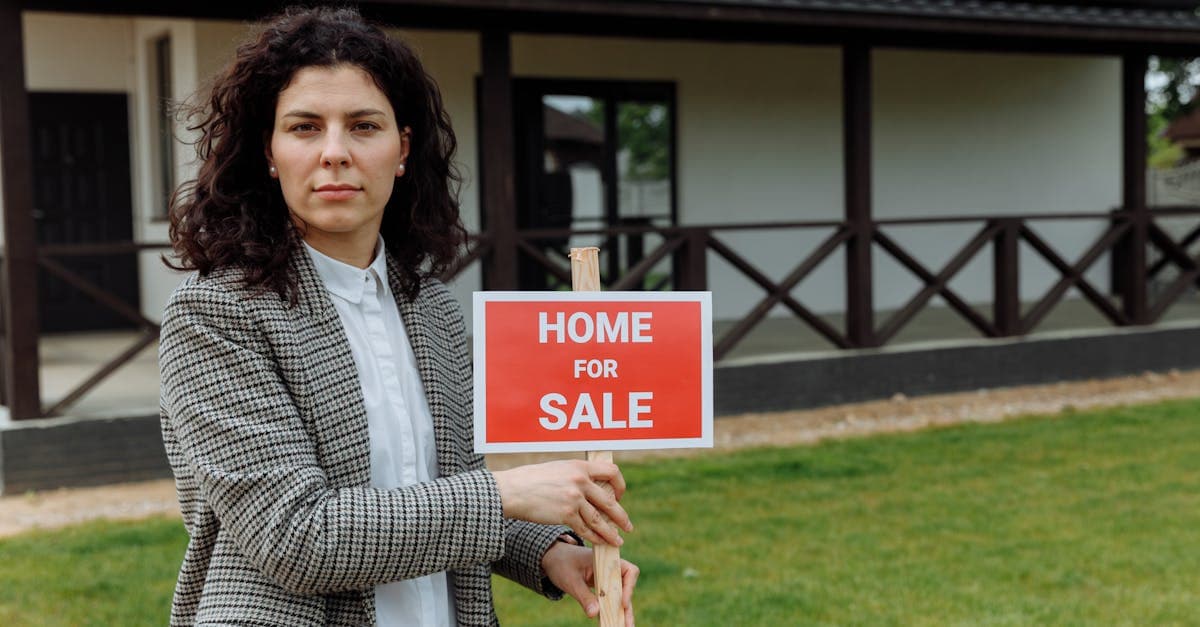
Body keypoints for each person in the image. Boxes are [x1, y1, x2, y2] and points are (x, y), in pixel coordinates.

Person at [159, 6, 638, 626]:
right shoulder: (213, 314)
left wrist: (545, 552)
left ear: (402, 148)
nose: (334, 153)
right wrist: (508, 494)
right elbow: (294, 536)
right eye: (305, 127)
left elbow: (442, 485)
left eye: (363, 126)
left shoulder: (431, 307)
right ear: (269, 153)